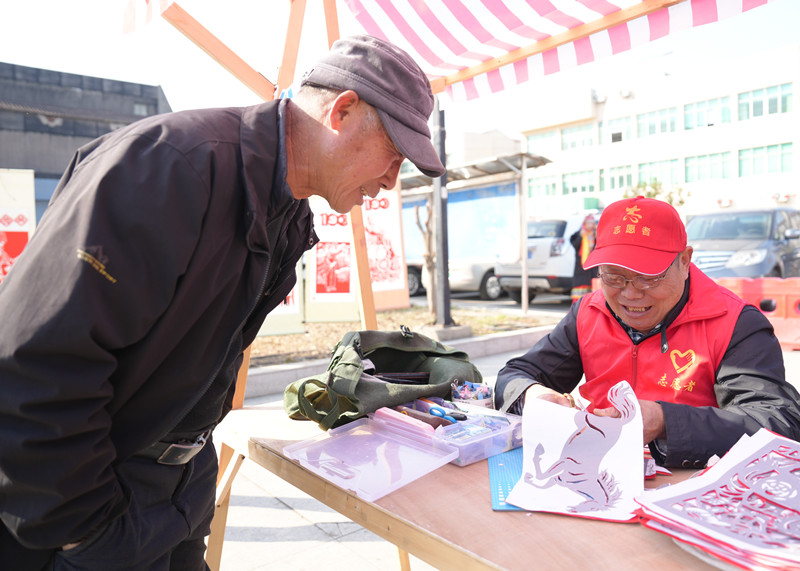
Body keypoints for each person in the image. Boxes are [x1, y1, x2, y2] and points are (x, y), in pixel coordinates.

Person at [0, 35, 445, 569]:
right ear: (342, 111)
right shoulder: (166, 167)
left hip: (180, 486)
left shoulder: (290, 215)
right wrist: (82, 527)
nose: (391, 182)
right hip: (97, 500)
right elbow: (34, 361)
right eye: (394, 155)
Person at [495, 196, 800, 469]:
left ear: (684, 261)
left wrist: (665, 422)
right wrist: (534, 395)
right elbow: (516, 374)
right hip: (597, 471)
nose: (630, 294)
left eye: (648, 277)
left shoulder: (734, 322)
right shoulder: (589, 311)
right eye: (614, 276)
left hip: (693, 482)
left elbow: (777, 420)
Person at [568, 214, 597, 302]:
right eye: (588, 223)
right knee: (580, 292)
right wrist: (580, 236)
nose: (590, 225)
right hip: (581, 267)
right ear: (584, 223)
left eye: (592, 223)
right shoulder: (579, 234)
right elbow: (575, 245)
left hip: (593, 267)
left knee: (594, 291)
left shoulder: (596, 234)